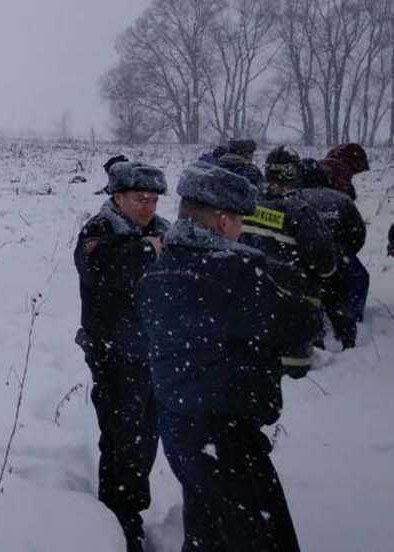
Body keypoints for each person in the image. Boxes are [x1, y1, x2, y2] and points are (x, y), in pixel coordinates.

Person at [138, 162, 319, 552]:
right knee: (263, 540)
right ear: (222, 222)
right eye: (237, 221)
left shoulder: (160, 268)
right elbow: (302, 326)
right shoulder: (238, 273)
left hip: (178, 427)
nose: (240, 230)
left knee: (207, 531)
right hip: (227, 436)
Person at [74, 160, 168, 550]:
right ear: (117, 198)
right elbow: (102, 268)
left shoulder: (161, 231)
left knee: (146, 439)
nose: (147, 206)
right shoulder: (100, 230)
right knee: (121, 440)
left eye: (153, 199)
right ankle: (116, 521)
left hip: (153, 354)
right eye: (139, 198)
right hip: (114, 355)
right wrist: (147, 250)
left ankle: (133, 512)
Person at [240, 147, 337, 365]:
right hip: (295, 308)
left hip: (248, 306)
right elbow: (325, 263)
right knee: (302, 374)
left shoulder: (245, 205)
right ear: (295, 173)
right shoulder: (301, 212)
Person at [298, 147, 370, 347]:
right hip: (336, 257)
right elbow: (358, 233)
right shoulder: (342, 199)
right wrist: (344, 252)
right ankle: (350, 325)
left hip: (300, 259)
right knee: (353, 282)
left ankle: (314, 333)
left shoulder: (293, 199)